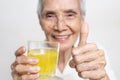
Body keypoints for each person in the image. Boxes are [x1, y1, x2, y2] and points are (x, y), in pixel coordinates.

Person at [11, 0, 116, 80]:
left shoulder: (96, 55)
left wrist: (103, 78)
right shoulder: (29, 59)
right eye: (50, 16)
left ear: (82, 19)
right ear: (40, 20)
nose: (60, 27)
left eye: (70, 15)